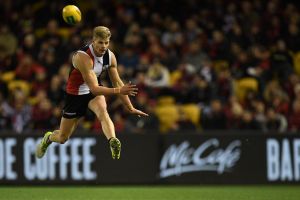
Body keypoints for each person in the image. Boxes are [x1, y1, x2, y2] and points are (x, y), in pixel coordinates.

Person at [36, 26, 148, 160]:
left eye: (106, 42)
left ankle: (112, 140)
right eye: (100, 42)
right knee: (62, 138)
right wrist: (119, 90)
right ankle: (48, 138)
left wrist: (130, 107)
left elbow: (117, 82)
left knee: (103, 112)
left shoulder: (110, 57)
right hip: (75, 95)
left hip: (93, 92)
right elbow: (97, 88)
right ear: (93, 41)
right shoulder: (82, 57)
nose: (104, 46)